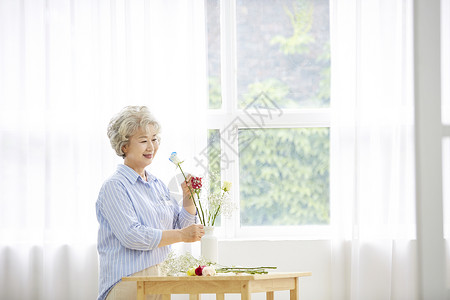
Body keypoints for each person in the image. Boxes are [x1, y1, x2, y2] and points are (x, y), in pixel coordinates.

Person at [96, 106, 204, 300]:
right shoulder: (115, 187)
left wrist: (188, 199)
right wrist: (181, 234)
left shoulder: (157, 185)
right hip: (128, 283)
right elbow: (132, 235)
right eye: (144, 141)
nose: (151, 147)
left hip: (160, 280)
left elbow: (183, 229)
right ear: (124, 146)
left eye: (154, 139)